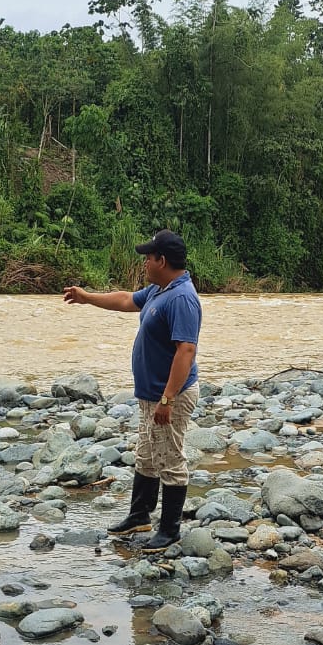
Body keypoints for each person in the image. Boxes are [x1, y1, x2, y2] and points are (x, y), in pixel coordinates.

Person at [63, 229, 202, 552]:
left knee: (170, 459)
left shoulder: (182, 298)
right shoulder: (159, 290)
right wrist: (87, 298)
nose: (144, 263)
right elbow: (126, 299)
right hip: (152, 395)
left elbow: (186, 351)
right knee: (147, 455)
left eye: (148, 258)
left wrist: (167, 399)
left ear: (162, 261)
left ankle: (170, 530)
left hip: (170, 396)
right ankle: (139, 516)